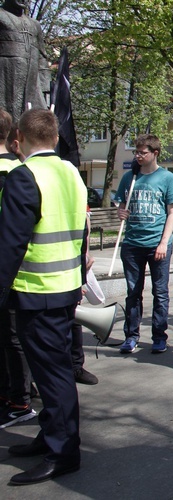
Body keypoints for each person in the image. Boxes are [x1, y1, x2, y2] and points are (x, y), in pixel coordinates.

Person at [0, 109, 87, 485]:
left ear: (19, 136)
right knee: (56, 373)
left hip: (37, 293)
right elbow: (80, 230)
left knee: (53, 378)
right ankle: (50, 436)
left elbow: (10, 244)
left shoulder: (25, 175)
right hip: (63, 288)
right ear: (54, 136)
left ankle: (63, 452)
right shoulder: (71, 172)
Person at [114, 134, 173, 354]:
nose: (138, 156)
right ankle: (131, 336)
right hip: (132, 243)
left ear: (155, 153)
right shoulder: (129, 177)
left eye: (143, 152)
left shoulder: (167, 178)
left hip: (157, 244)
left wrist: (163, 243)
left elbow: (172, 212)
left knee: (160, 292)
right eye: (136, 151)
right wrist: (120, 212)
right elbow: (122, 205)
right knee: (133, 292)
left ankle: (159, 336)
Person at [0, 107, 36, 429]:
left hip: (9, 271)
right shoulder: (22, 169)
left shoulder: (12, 173)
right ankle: (19, 394)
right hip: (24, 271)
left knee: (10, 339)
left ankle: (18, 399)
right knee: (13, 338)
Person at [0, 0, 49, 122]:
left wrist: (45, 87)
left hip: (32, 82)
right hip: (6, 77)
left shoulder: (34, 25)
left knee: (37, 122)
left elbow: (42, 57)